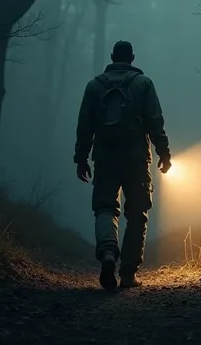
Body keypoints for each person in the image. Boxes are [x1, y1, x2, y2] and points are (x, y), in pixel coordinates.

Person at [73, 40, 172, 290]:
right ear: (132, 58)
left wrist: (81, 158)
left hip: (105, 158)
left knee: (105, 209)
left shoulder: (94, 86)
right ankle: (128, 274)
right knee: (137, 214)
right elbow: (155, 122)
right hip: (137, 158)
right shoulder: (144, 84)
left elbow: (84, 125)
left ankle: (107, 252)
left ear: (112, 56)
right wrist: (164, 153)